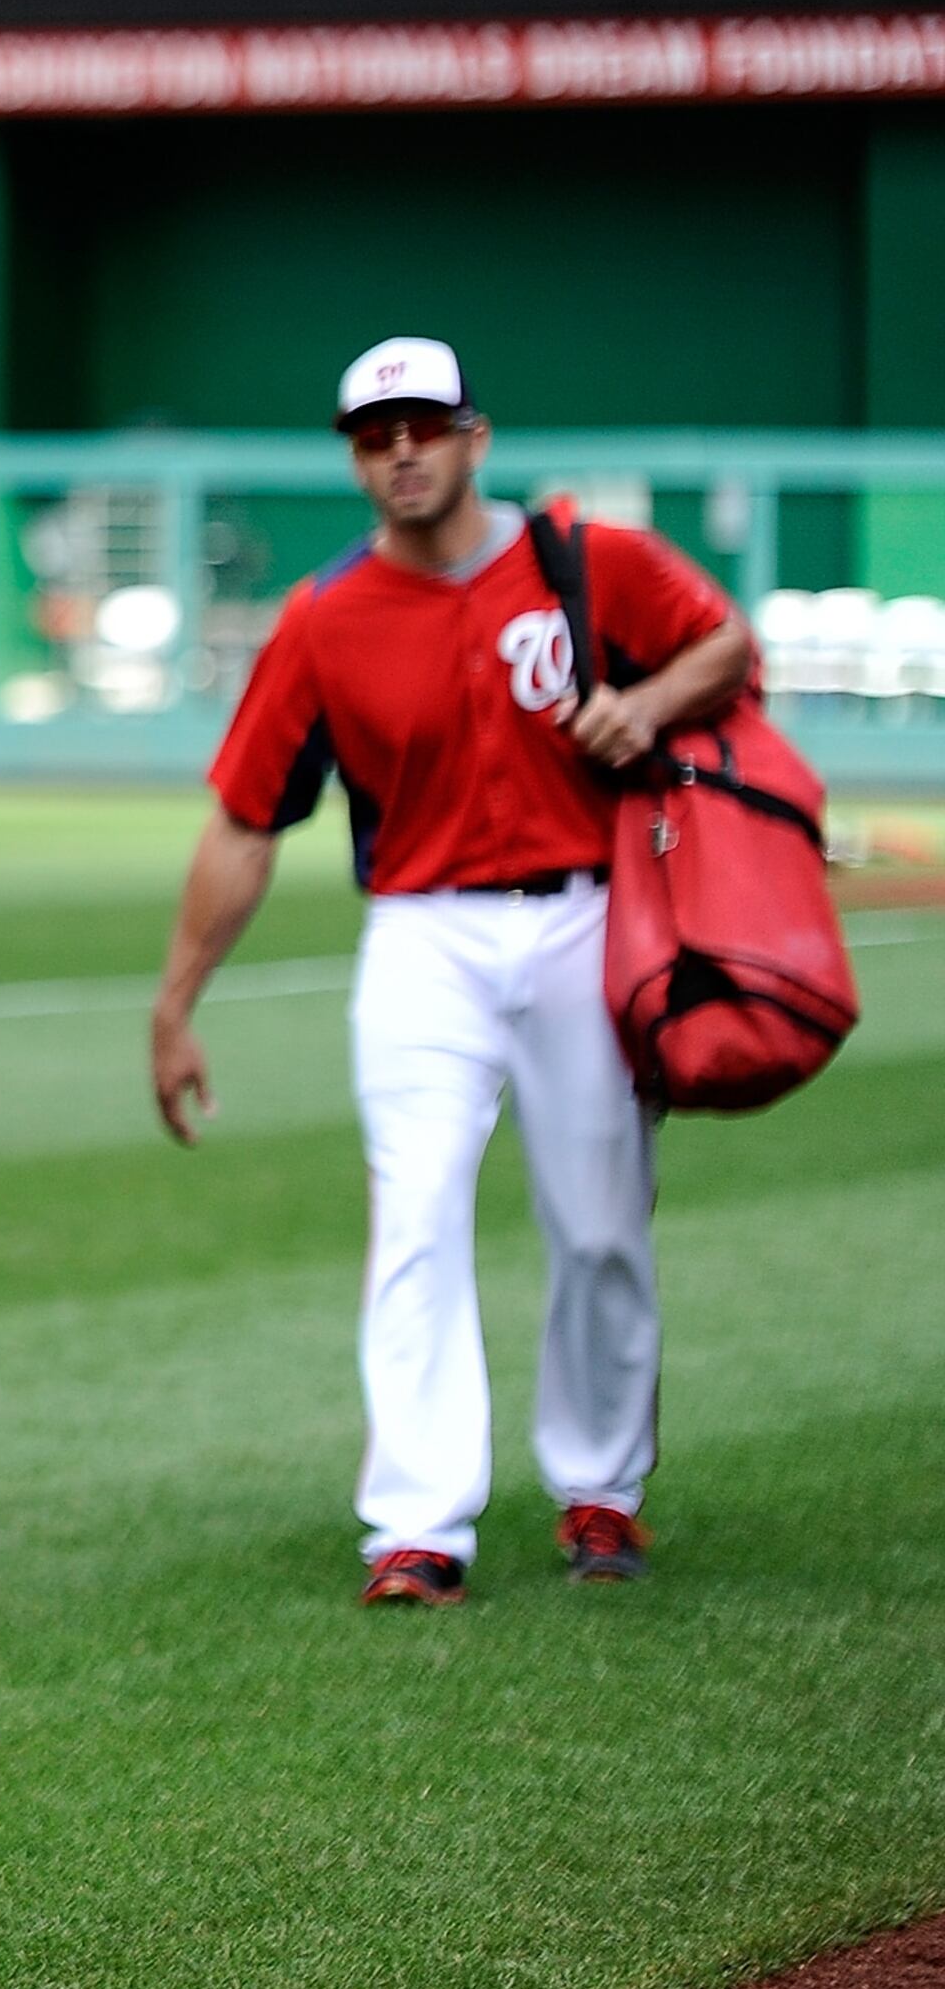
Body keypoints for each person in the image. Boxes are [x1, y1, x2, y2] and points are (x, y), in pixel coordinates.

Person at [151, 339, 755, 1605]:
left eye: (425, 426)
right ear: (354, 456)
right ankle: (417, 1522)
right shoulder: (325, 615)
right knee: (413, 1215)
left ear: (476, 436)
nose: (404, 451)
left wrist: (645, 710)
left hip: (587, 914)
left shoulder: (588, 562)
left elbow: (724, 643)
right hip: (422, 935)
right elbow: (248, 816)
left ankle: (601, 1490)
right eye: (377, 435)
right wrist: (177, 995)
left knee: (598, 1223)